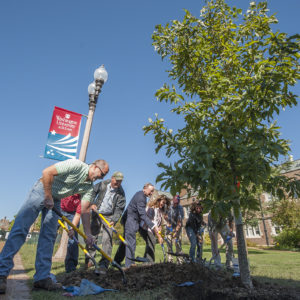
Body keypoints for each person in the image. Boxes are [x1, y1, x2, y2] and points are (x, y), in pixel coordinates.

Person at [0, 159, 109, 294]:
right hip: (42, 190)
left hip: (56, 199)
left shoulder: (88, 187)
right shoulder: (76, 165)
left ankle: (42, 278)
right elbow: (47, 172)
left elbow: (85, 210)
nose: (101, 177)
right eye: (102, 174)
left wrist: (88, 233)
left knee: (49, 237)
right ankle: (1, 273)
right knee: (21, 229)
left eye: (103, 176)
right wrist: (47, 195)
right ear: (94, 166)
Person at [86, 171, 126, 275]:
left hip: (109, 216)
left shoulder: (121, 193)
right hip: (96, 212)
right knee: (92, 237)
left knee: (107, 239)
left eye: (120, 182)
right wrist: (92, 203)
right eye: (116, 181)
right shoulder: (103, 184)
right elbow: (92, 192)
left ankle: (104, 264)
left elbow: (119, 208)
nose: (118, 183)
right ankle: (90, 260)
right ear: (112, 178)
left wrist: (114, 219)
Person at [121, 183, 163, 268]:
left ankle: (118, 261)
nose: (151, 193)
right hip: (131, 221)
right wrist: (153, 226)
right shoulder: (141, 197)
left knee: (127, 242)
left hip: (133, 221)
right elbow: (143, 215)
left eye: (152, 192)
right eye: (151, 191)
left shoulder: (141, 195)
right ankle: (129, 265)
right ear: (145, 188)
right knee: (131, 243)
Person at [139, 194, 170, 263]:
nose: (163, 204)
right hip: (144, 228)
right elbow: (151, 223)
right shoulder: (152, 208)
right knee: (152, 241)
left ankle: (146, 261)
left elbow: (158, 222)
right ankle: (150, 262)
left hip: (151, 229)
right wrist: (159, 236)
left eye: (165, 203)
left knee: (150, 243)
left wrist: (160, 228)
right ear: (159, 200)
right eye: (163, 202)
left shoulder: (160, 210)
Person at [59, 193, 82, 273]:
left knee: (73, 238)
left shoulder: (83, 195)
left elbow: (78, 214)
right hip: (59, 208)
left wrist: (72, 229)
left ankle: (71, 268)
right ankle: (44, 269)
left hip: (73, 213)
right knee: (50, 235)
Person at [165, 195, 184, 263]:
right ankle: (170, 260)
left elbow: (180, 221)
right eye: (175, 202)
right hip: (169, 227)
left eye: (177, 203)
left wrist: (176, 231)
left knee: (178, 243)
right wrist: (168, 223)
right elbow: (165, 216)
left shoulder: (180, 208)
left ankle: (180, 261)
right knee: (169, 243)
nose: (175, 204)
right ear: (173, 200)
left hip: (177, 227)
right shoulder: (168, 206)